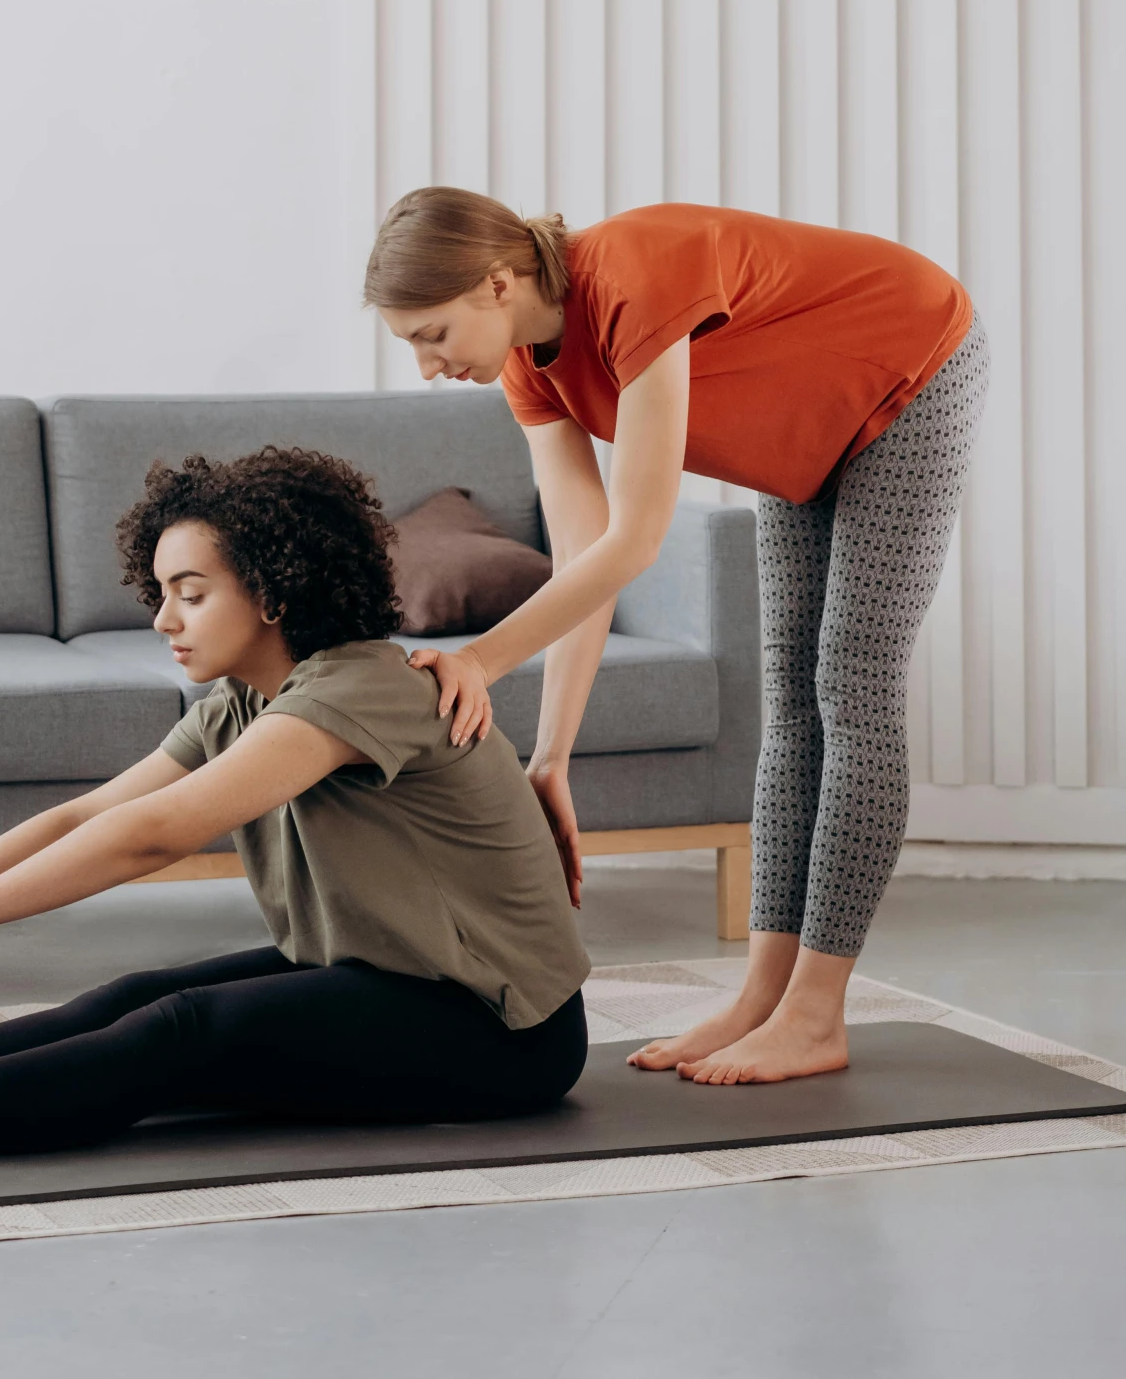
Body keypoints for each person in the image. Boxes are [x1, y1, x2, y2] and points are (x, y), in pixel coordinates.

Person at [0, 446, 589, 1169]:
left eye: (191, 592)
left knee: (183, 1031)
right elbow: (79, 819)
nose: (164, 618)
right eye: (161, 591)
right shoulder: (244, 703)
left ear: (275, 591)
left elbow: (153, 835)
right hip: (383, 978)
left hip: (500, 1030)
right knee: (126, 998)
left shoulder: (363, 687)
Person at [365, 188, 988, 1087]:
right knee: (790, 692)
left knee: (849, 681)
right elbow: (582, 555)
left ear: (496, 284)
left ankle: (815, 1014)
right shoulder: (526, 370)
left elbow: (636, 537)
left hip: (911, 364)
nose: (425, 365)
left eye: (429, 334)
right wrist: (549, 756)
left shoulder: (630, 276)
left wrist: (478, 660)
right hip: (806, 427)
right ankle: (761, 999)